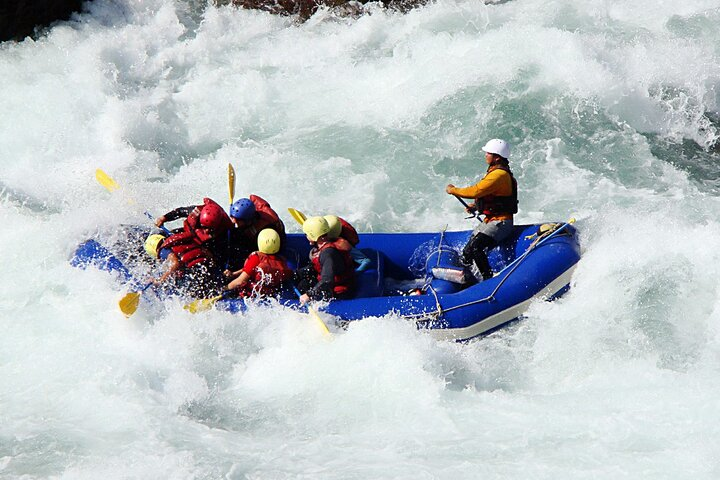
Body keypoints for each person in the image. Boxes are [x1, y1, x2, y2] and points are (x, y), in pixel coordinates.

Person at [445, 138, 518, 280]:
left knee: (476, 247)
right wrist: (477, 206)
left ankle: (487, 278)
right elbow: (490, 196)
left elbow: (476, 191)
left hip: (501, 223)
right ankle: (468, 277)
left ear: (496, 157)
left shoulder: (499, 175)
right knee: (467, 252)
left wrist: (454, 190)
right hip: (491, 220)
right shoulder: (496, 172)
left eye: (488, 153)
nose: (486, 155)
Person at [143, 232, 223, 298]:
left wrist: (159, 281)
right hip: (206, 266)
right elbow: (205, 251)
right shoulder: (177, 240)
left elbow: (175, 263)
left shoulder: (163, 250)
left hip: (194, 272)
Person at [295, 216, 355, 303]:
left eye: (306, 234)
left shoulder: (328, 253)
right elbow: (316, 266)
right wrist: (296, 274)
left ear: (313, 235)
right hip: (332, 281)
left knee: (303, 286)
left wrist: (309, 294)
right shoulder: (325, 245)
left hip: (339, 291)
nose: (306, 236)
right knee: (302, 282)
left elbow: (327, 280)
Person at [225, 229, 293, 298]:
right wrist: (234, 274)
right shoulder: (281, 261)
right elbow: (251, 269)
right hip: (268, 296)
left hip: (248, 296)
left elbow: (240, 282)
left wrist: (224, 289)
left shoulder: (256, 257)